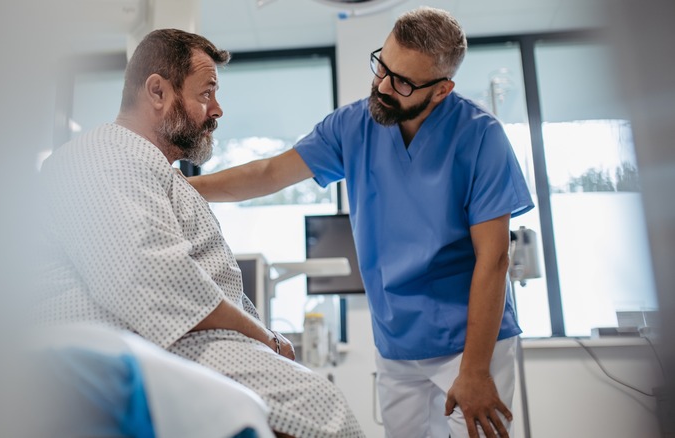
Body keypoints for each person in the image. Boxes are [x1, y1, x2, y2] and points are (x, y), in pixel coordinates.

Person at [189, 7, 534, 438]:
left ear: (443, 89)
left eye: (403, 82)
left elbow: (495, 258)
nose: (383, 86)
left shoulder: (481, 137)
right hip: (396, 343)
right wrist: (182, 186)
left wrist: (477, 369)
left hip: (471, 343)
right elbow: (270, 173)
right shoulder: (354, 124)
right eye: (382, 67)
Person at [36, 28, 365, 438]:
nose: (218, 109)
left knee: (317, 400)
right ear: (157, 92)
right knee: (320, 408)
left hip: (183, 344)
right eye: (206, 93)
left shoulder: (157, 173)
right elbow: (154, 281)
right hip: (147, 348)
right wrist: (267, 339)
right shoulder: (106, 155)